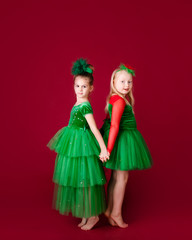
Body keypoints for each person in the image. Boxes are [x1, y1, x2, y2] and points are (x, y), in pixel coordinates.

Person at [47, 58, 109, 230]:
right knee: (78, 179)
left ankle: (93, 216)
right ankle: (85, 215)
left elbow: (94, 129)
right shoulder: (78, 103)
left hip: (82, 144)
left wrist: (103, 148)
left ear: (91, 88)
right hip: (74, 142)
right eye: (77, 86)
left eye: (84, 86)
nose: (80, 89)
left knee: (85, 179)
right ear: (73, 86)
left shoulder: (85, 106)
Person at [101, 64, 152, 228]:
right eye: (122, 81)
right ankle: (116, 213)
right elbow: (115, 125)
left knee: (116, 177)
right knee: (122, 177)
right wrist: (108, 149)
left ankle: (109, 210)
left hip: (121, 140)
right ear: (114, 81)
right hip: (122, 141)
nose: (126, 85)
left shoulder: (117, 98)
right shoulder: (120, 101)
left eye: (129, 82)